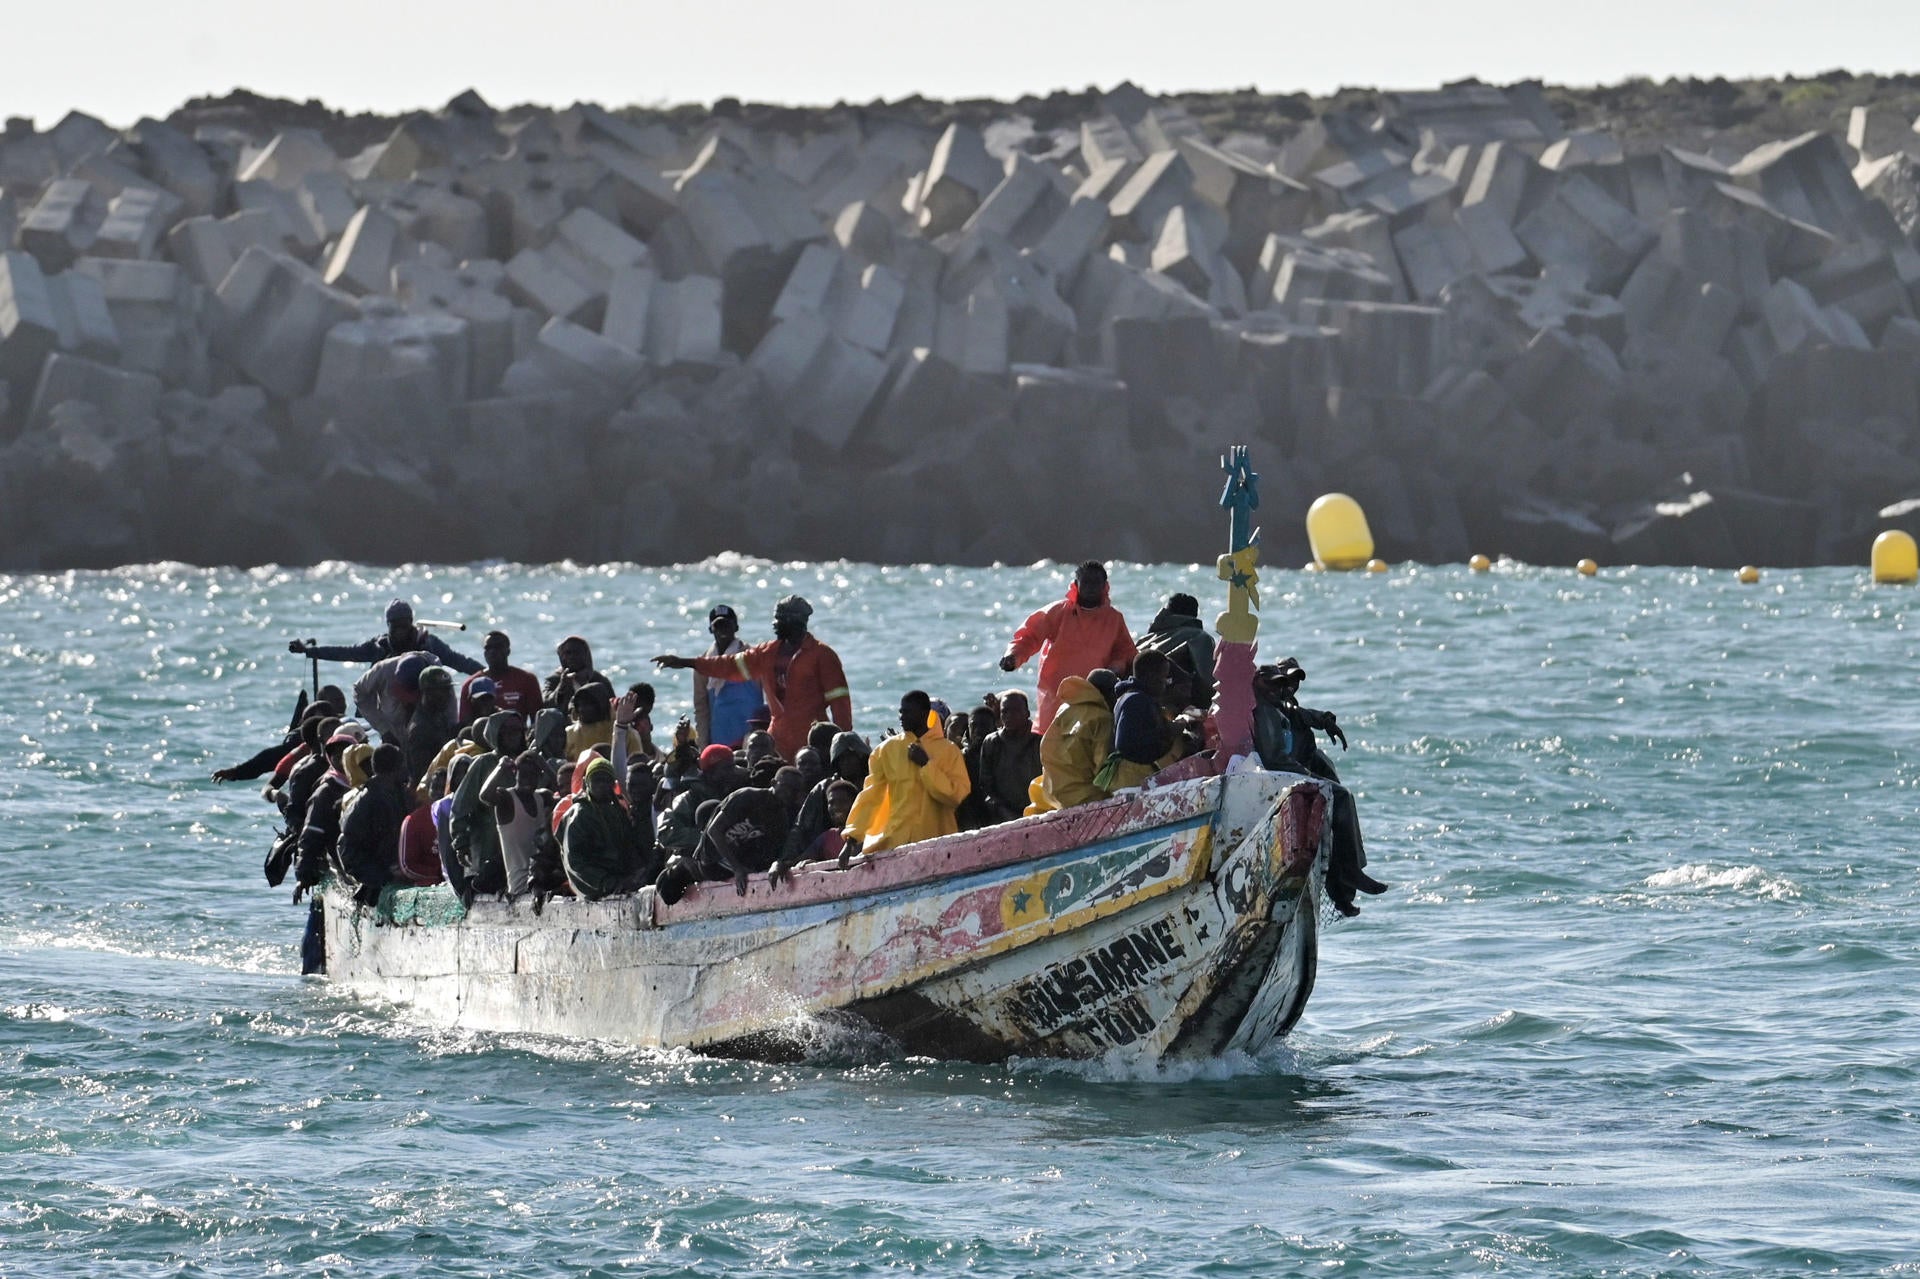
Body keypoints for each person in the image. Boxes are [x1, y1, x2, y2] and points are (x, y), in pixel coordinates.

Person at [1252, 660, 1387, 917]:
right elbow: (1276, 758)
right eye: (1281, 682)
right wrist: (1308, 776)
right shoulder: (1267, 712)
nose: (1289, 686)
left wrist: (1325, 719)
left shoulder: (1281, 708)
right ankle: (1349, 875)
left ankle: (1345, 885)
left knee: (1337, 804)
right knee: (1341, 798)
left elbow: (1304, 714)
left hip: (1294, 771)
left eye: (1293, 681)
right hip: (1285, 776)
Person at [654, 595, 851, 764]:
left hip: (811, 743)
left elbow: (840, 704)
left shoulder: (822, 655)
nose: (775, 624)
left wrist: (842, 746)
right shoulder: (766, 653)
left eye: (780, 619)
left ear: (796, 621)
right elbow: (728, 665)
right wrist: (687, 662)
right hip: (777, 742)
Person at [999, 561, 1136, 733]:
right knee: (1049, 743)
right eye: (1086, 582)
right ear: (1076, 584)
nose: (1091, 587)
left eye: (1096, 582)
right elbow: (1029, 635)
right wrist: (1014, 656)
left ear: (1105, 586)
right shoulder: (1058, 612)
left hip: (1094, 696)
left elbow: (1125, 651)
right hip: (1055, 696)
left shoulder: (1114, 619)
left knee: (1088, 742)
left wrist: (1116, 667)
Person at [841, 690, 970, 859]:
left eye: (907, 712)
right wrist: (851, 840)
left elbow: (955, 796)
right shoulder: (885, 751)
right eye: (900, 711)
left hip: (938, 844)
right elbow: (871, 797)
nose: (901, 716)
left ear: (925, 714)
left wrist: (926, 765)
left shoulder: (949, 751)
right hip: (896, 844)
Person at [449, 711, 528, 898]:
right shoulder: (483, 763)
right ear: (496, 734)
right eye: (507, 731)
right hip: (488, 843)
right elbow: (460, 806)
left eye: (517, 730)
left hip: (522, 844)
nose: (513, 735)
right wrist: (461, 842)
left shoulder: (527, 762)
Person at [291, 598, 480, 674]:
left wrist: (487, 674)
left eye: (404, 625)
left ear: (411, 623)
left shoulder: (428, 644)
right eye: (394, 626)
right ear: (388, 625)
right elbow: (345, 652)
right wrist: (308, 651)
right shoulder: (378, 647)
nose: (399, 631)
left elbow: (459, 662)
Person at [560, 757, 658, 900]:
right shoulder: (580, 814)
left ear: (613, 784)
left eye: (606, 780)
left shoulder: (618, 812)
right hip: (594, 889)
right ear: (587, 783)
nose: (602, 785)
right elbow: (576, 862)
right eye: (597, 780)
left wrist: (639, 874)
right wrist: (608, 883)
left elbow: (628, 848)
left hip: (619, 884)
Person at [1099, 651, 1191, 793]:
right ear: (1150, 677)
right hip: (1131, 778)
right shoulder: (1136, 700)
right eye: (1164, 679)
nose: (1166, 685)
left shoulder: (1130, 696)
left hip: (1132, 774)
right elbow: (1125, 743)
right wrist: (1169, 731)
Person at [1025, 673, 1116, 814]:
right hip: (1085, 796)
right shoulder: (1102, 718)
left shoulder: (1065, 708)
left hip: (1052, 792)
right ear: (1108, 693)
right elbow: (1103, 769)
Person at [212, 687, 346, 783]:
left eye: (342, 700)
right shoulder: (302, 742)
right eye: (336, 700)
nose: (341, 705)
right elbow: (268, 759)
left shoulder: (349, 728)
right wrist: (236, 772)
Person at [336, 743, 411, 906]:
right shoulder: (365, 802)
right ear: (395, 769)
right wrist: (385, 876)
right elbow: (349, 852)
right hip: (377, 874)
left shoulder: (399, 795)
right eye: (402, 765)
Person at [781, 730, 870, 863]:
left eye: (851, 756)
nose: (846, 762)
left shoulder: (874, 783)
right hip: (831, 847)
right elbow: (800, 827)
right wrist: (784, 860)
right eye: (842, 758)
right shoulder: (824, 788)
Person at [480, 749, 555, 899]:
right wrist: (501, 767)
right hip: (520, 887)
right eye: (524, 775)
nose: (528, 780)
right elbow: (485, 795)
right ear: (515, 774)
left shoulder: (543, 797)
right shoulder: (506, 799)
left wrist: (542, 763)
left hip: (542, 881)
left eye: (533, 776)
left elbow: (565, 789)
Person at [690, 605, 767, 749]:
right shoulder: (702, 664)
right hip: (719, 741)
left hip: (750, 741)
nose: (722, 630)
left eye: (727, 625)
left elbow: (769, 695)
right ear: (710, 629)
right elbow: (701, 709)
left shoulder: (752, 657)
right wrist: (703, 746)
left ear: (736, 627)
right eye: (717, 626)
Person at [1136, 592, 1216, 710]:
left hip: (1136, 698)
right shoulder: (1199, 636)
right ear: (1195, 615)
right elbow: (1208, 681)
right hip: (1173, 706)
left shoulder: (1144, 639)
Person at [976, 691, 1041, 826]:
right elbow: (987, 785)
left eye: (1016, 711)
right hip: (1003, 813)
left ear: (1027, 713)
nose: (1009, 716)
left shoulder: (1039, 739)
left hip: (1040, 809)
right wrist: (1005, 811)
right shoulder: (992, 742)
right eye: (1004, 711)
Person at [459, 631, 543, 722]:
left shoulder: (527, 680)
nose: (492, 651)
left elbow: (537, 721)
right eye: (488, 648)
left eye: (498, 647)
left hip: (516, 733)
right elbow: (465, 724)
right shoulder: (470, 685)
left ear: (508, 651)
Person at [405, 666, 459, 789]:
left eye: (448, 689)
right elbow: (422, 774)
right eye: (442, 690)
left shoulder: (439, 716)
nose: (448, 695)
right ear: (427, 692)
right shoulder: (420, 729)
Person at [564, 682, 642, 761]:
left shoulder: (627, 734)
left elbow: (637, 764)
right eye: (579, 705)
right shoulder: (569, 733)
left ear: (601, 705)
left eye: (588, 704)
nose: (582, 709)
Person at [397, 768, 448, 886]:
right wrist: (439, 875)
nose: (439, 792)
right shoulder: (414, 820)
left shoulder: (461, 817)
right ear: (429, 791)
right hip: (428, 888)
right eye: (435, 787)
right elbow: (407, 866)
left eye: (443, 787)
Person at [543, 635, 609, 714]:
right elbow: (545, 705)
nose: (572, 657)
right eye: (568, 653)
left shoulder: (598, 680)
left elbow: (612, 707)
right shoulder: (554, 680)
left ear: (585, 655)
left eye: (576, 652)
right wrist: (561, 687)